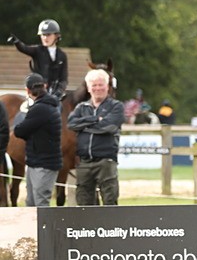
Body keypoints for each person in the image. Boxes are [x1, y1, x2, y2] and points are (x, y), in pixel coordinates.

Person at [67, 68, 125, 206]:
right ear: (88, 88)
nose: (97, 88)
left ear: (107, 86)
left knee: (110, 201)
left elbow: (109, 127)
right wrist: (95, 119)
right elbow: (71, 124)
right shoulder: (81, 107)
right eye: (94, 85)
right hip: (84, 163)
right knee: (84, 203)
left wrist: (84, 126)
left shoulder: (116, 106)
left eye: (101, 84)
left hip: (106, 162)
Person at [12, 74, 62, 207]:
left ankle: (44, 228)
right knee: (31, 202)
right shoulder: (48, 106)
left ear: (27, 91)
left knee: (40, 203)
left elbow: (19, 131)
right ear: (44, 86)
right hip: (37, 162)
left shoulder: (39, 109)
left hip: (43, 164)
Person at [8, 19, 68, 109]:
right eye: (43, 35)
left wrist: (60, 90)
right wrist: (17, 42)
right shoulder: (37, 50)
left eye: (48, 35)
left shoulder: (62, 55)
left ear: (56, 36)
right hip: (36, 91)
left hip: (54, 93)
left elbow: (63, 78)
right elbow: (24, 48)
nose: (45, 38)